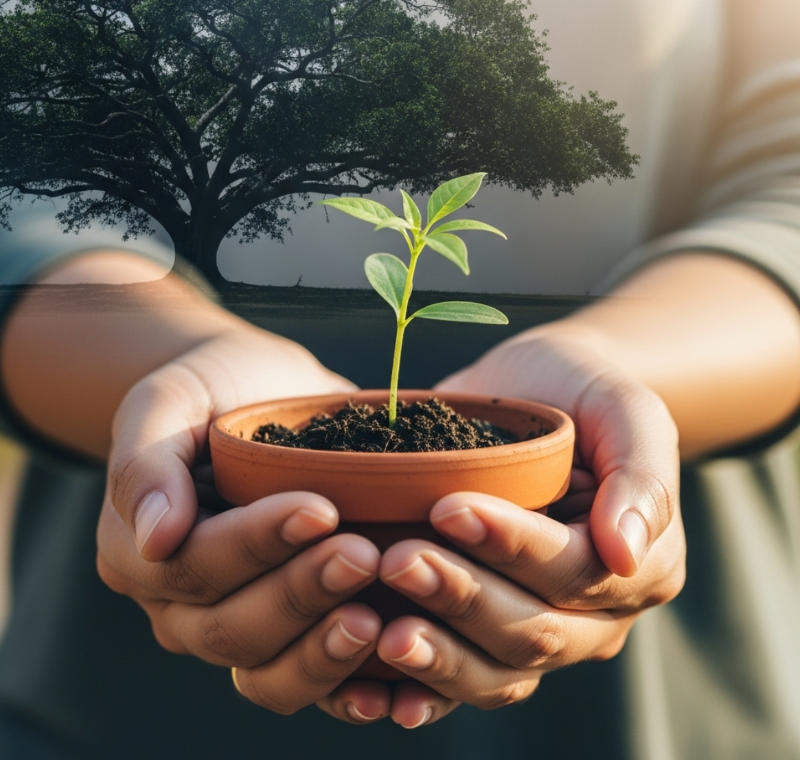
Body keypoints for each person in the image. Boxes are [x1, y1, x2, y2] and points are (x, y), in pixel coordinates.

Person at [2, 1, 800, 758]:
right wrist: (168, 368)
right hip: (124, 699)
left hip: (662, 711)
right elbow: (25, 176)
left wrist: (620, 377)